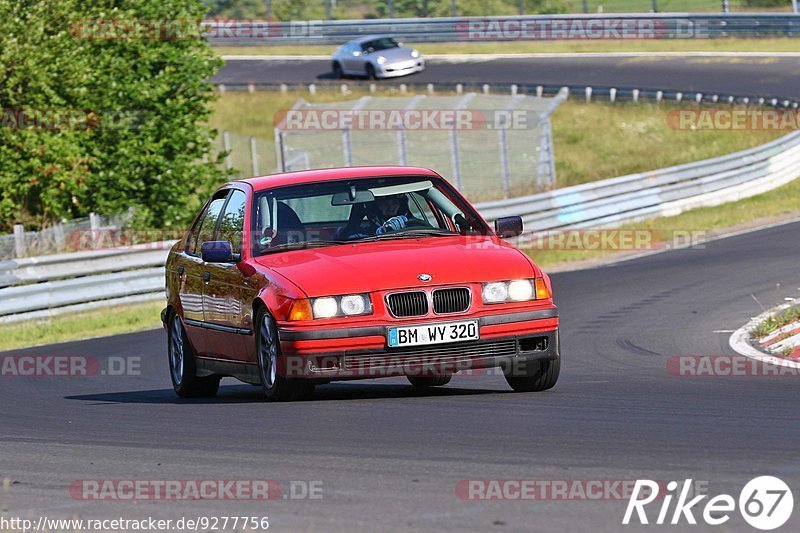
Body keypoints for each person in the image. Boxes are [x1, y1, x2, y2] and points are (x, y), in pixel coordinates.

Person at [346, 194, 419, 239]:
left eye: (394, 203)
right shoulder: (362, 234)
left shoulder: (414, 225)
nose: (391, 208)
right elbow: (347, 238)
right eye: (385, 204)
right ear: (375, 207)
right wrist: (381, 232)